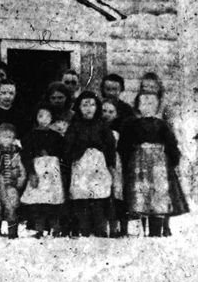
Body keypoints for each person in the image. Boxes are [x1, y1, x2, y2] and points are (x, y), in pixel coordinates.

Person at [119, 92, 185, 237]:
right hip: (138, 166)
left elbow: (171, 144)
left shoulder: (162, 125)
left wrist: (173, 161)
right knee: (139, 196)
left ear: (157, 106)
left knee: (158, 197)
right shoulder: (131, 124)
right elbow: (124, 144)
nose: (147, 107)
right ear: (137, 107)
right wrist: (127, 160)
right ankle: (138, 231)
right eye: (144, 103)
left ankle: (155, 232)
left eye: (151, 104)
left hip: (158, 168)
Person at [64, 91, 116, 237]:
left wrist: (111, 164)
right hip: (81, 165)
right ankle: (84, 229)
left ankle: (100, 229)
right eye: (85, 105)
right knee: (82, 198)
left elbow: (110, 145)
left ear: (97, 107)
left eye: (92, 105)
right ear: (79, 107)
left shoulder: (102, 125)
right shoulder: (75, 126)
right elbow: (68, 146)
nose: (88, 108)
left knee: (99, 197)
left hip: (99, 166)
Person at [20, 103, 65, 238]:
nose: (44, 119)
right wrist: (31, 172)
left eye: (47, 116)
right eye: (40, 116)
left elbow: (62, 154)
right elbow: (26, 155)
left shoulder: (57, 137)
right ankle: (38, 228)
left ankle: (55, 228)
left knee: (53, 201)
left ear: (52, 118)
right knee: (38, 201)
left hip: (53, 172)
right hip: (38, 170)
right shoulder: (30, 136)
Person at [0, 123, 27, 239]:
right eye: (3, 136)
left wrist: (19, 181)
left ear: (14, 139)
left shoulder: (16, 155)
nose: (6, 139)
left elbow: (22, 170)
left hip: (10, 185)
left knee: (11, 207)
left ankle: (13, 233)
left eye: (9, 137)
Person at [101, 99, 126, 237]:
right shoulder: (97, 130)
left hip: (115, 163)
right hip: (99, 162)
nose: (107, 114)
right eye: (104, 111)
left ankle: (115, 227)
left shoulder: (117, 132)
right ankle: (102, 227)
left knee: (115, 194)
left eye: (111, 112)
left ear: (116, 115)